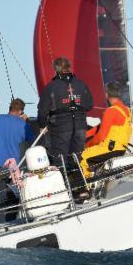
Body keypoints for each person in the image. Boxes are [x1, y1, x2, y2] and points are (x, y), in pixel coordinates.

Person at [37, 57, 93, 193]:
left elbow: (43, 111)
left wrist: (42, 125)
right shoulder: (81, 84)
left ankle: (65, 193)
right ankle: (82, 190)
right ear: (69, 67)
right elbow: (89, 105)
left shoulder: (51, 87)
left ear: (55, 69)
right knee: (75, 159)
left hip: (61, 128)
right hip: (80, 127)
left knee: (61, 161)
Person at [80, 82, 132, 177]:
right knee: (89, 153)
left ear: (107, 94)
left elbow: (100, 137)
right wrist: (84, 135)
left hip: (110, 149)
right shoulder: (126, 110)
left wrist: (87, 145)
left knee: (81, 158)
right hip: (121, 148)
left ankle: (86, 188)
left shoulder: (111, 111)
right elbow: (100, 127)